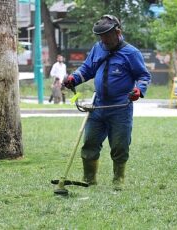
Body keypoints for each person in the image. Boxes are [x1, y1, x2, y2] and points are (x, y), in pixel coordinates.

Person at [63, 15, 151, 190]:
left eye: (106, 35)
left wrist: (139, 90)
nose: (103, 40)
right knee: (90, 142)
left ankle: (118, 180)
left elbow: (143, 76)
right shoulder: (98, 48)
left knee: (120, 145)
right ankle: (89, 179)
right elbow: (87, 69)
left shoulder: (131, 53)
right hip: (97, 105)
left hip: (120, 107)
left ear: (118, 32)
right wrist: (74, 78)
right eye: (100, 36)